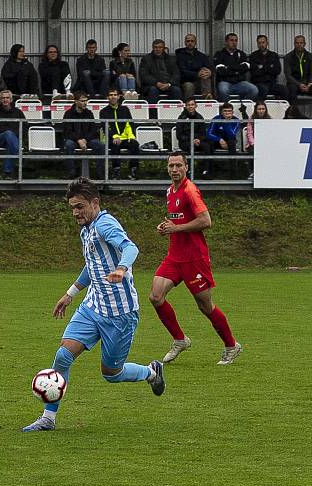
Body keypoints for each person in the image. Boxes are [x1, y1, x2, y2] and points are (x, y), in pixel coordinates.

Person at [22, 177, 165, 432]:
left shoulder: (105, 224)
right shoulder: (86, 229)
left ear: (95, 203)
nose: (76, 212)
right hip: (93, 307)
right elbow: (93, 266)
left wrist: (121, 268)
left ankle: (151, 372)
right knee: (63, 356)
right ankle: (48, 419)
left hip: (120, 314)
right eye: (72, 208)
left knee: (112, 373)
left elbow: (130, 247)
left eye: (80, 206)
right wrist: (70, 293)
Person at [149, 152, 242, 366]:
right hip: (174, 257)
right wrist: (165, 227)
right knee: (156, 296)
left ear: (186, 168)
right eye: (171, 165)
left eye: (178, 165)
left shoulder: (190, 191)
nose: (174, 169)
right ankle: (180, 340)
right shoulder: (170, 191)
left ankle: (231, 345)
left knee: (205, 306)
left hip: (194, 258)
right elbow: (177, 219)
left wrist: (176, 228)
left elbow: (205, 221)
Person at [99, 87, 139, 179]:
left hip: (125, 138)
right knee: (115, 145)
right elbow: (106, 127)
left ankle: (133, 170)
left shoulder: (125, 109)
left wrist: (131, 136)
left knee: (135, 144)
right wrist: (115, 137)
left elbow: (130, 124)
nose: (113, 97)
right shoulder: (103, 111)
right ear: (107, 97)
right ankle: (116, 171)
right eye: (111, 95)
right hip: (111, 138)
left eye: (115, 95)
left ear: (119, 97)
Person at [62, 91, 103, 179]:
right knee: (68, 145)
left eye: (86, 101)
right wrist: (79, 140)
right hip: (74, 140)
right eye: (82, 101)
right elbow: (67, 131)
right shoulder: (68, 114)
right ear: (76, 101)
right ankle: (71, 172)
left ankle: (99, 173)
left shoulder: (89, 113)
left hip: (87, 140)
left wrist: (85, 140)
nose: (85, 103)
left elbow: (93, 129)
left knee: (101, 145)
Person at [0, 89, 27, 178]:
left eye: (7, 98)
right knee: (8, 133)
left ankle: (7, 173)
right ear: (0, 100)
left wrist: (14, 135)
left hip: (15, 140)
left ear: (11, 99)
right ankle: (20, 157)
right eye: (3, 98)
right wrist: (6, 132)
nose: (5, 100)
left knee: (10, 144)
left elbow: (25, 127)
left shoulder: (18, 112)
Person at [213, 33, 258, 102]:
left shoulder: (241, 54)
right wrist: (237, 70)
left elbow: (245, 68)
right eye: (231, 40)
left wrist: (228, 68)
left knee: (254, 90)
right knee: (223, 91)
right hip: (225, 82)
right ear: (226, 42)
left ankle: (242, 107)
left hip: (240, 83)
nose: (234, 43)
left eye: (236, 40)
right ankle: (227, 109)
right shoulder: (219, 54)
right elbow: (221, 72)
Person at [201, 102, 240, 178]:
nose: (227, 113)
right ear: (221, 112)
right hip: (217, 141)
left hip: (229, 141)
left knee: (232, 143)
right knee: (209, 144)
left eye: (229, 111)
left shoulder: (236, 120)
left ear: (232, 112)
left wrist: (227, 122)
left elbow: (232, 134)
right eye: (225, 111)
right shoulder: (216, 119)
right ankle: (208, 172)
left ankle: (233, 174)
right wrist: (219, 139)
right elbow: (209, 134)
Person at [139, 38, 181, 103]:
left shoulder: (172, 59)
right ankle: (153, 113)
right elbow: (144, 75)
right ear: (152, 48)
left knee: (176, 90)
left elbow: (176, 74)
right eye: (155, 47)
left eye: (160, 47)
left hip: (169, 85)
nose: (157, 49)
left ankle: (175, 112)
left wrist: (169, 84)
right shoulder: (146, 59)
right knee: (153, 90)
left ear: (164, 48)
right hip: (153, 85)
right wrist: (156, 83)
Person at [249, 35, 288, 101]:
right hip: (258, 84)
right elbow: (254, 72)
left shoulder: (274, 55)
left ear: (267, 43)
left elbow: (277, 70)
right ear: (257, 44)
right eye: (259, 43)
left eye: (263, 42)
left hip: (271, 83)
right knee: (264, 89)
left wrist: (262, 67)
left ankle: (285, 110)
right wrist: (269, 67)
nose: (261, 45)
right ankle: (260, 109)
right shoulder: (253, 56)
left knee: (284, 89)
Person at [175, 33, 214, 100]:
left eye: (192, 41)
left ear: (195, 42)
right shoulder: (180, 56)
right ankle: (189, 105)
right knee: (189, 86)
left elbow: (211, 68)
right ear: (185, 42)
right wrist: (197, 74)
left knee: (206, 71)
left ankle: (207, 99)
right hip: (185, 81)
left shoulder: (202, 56)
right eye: (188, 41)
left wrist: (209, 72)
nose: (190, 43)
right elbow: (182, 71)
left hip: (200, 82)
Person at [244, 101, 270, 179]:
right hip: (253, 144)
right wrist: (254, 143)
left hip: (266, 143)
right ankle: (252, 172)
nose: (261, 111)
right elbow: (249, 133)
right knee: (252, 151)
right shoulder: (251, 120)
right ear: (256, 110)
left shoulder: (270, 120)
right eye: (259, 109)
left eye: (263, 109)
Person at [284, 35, 312, 103]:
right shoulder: (288, 57)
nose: (299, 45)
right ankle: (293, 112)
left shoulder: (310, 56)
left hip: (308, 83)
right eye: (297, 43)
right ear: (294, 44)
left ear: (304, 44)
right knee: (291, 90)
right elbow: (288, 75)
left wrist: (310, 83)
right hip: (294, 83)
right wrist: (299, 84)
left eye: (301, 43)